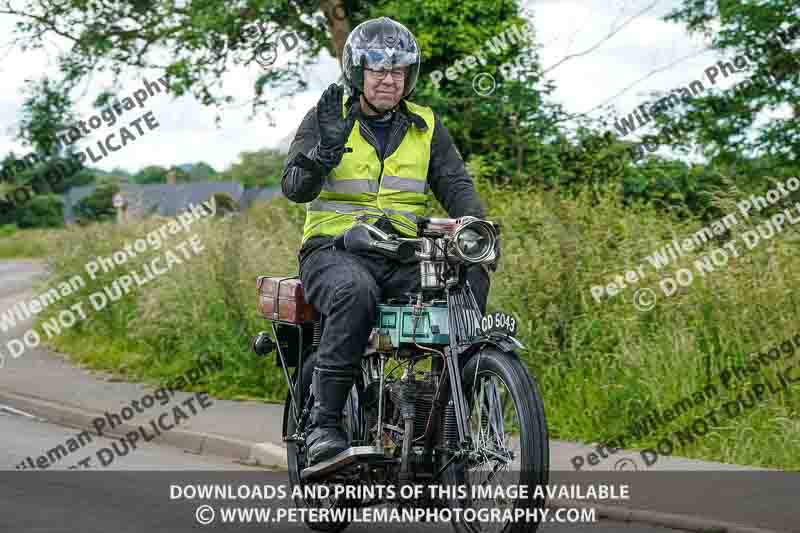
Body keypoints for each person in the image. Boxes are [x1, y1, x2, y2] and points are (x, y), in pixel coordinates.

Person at [281, 17, 496, 466]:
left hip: (401, 253)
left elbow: (455, 184)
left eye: (398, 71)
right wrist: (323, 155)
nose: (389, 79)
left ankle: (449, 414)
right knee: (354, 292)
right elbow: (294, 187)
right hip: (333, 251)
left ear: (409, 76)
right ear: (358, 72)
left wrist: (475, 229)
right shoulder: (327, 115)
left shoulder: (425, 125)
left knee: (468, 278)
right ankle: (325, 425)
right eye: (378, 69)